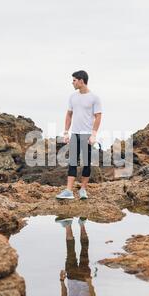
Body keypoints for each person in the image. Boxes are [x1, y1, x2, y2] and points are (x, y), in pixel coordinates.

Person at [56, 70, 102, 200]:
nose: (72, 83)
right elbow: (69, 114)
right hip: (75, 133)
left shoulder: (94, 98)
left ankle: (83, 189)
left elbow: (98, 116)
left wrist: (93, 134)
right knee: (72, 162)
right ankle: (69, 191)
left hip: (87, 135)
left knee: (86, 163)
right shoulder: (73, 97)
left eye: (74, 80)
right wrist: (66, 132)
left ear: (81, 81)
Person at [56, 217, 96, 296]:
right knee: (84, 252)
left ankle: (67, 225)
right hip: (84, 279)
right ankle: (82, 225)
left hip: (71, 277)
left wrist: (61, 281)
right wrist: (89, 282)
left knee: (70, 252)